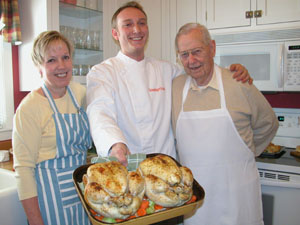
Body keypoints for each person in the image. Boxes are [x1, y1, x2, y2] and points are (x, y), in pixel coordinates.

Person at [86, 1, 250, 167]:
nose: (136, 29)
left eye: (142, 23)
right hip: (128, 168)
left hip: (166, 169)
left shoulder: (166, 70)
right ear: (115, 34)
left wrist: (229, 72)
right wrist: (114, 144)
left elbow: (199, 72)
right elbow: (100, 112)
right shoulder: (102, 73)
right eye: (128, 24)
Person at [172, 23, 279, 225]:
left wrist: (245, 153)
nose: (191, 61)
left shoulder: (239, 82)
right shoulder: (175, 87)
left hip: (237, 197)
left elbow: (269, 124)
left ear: (212, 48)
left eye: (197, 51)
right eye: (184, 54)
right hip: (195, 203)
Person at [12, 31, 92, 225]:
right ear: (39, 67)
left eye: (65, 57)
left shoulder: (80, 94)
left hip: (84, 196)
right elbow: (23, 170)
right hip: (51, 202)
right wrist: (35, 220)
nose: (61, 66)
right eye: (51, 60)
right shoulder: (29, 108)